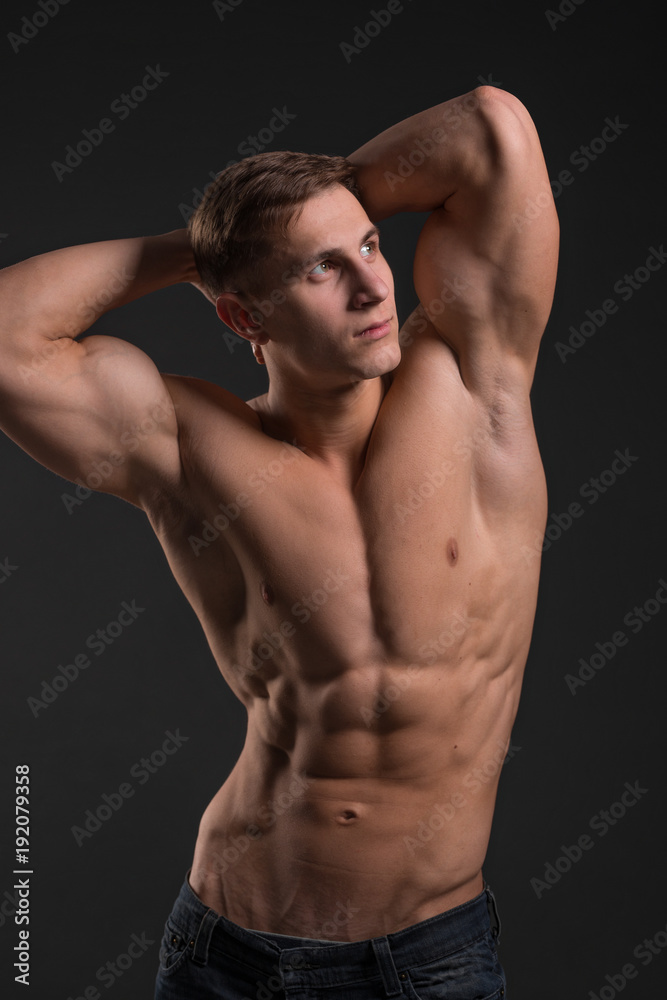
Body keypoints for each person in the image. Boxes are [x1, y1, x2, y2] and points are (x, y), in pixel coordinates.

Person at [0, 85, 558, 999]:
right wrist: (208, 249)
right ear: (242, 317)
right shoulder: (189, 448)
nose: (373, 284)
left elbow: (491, 127)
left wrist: (311, 215)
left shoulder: (472, 378)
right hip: (230, 954)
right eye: (320, 270)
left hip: (431, 960)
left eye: (369, 245)